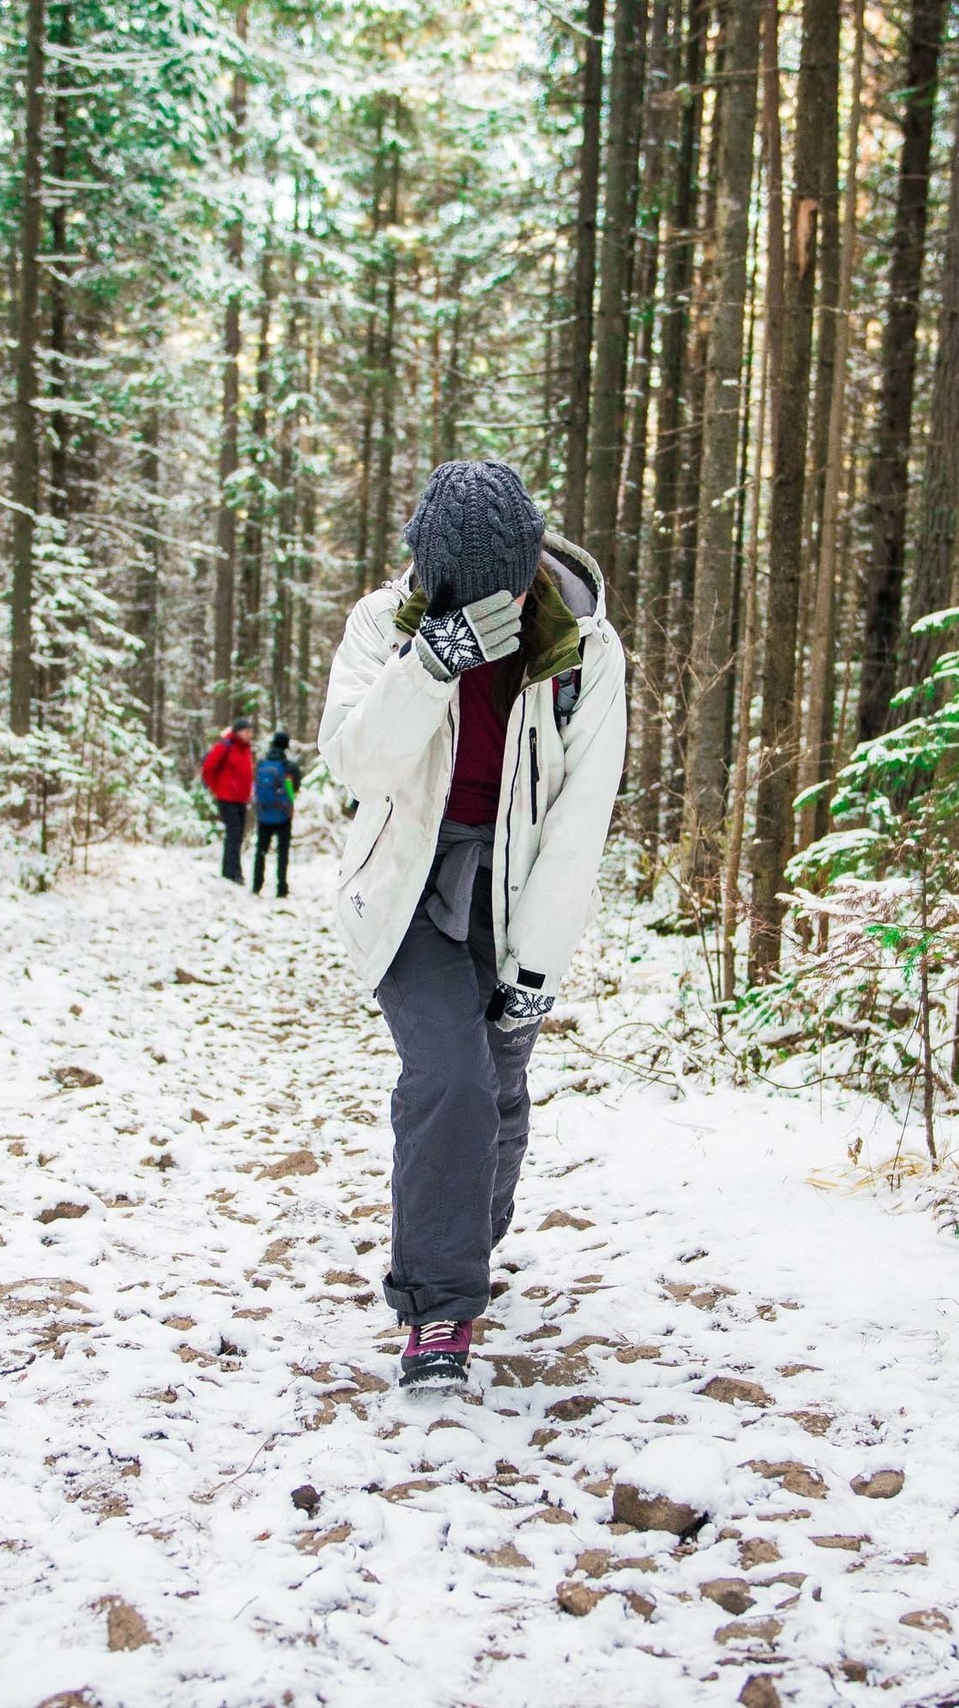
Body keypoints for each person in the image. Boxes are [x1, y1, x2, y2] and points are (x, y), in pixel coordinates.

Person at [316, 458, 626, 1392]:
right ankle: (440, 1308)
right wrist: (429, 662)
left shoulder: (584, 651)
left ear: (528, 567)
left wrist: (536, 968)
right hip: (408, 885)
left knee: (497, 1076)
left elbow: (578, 821)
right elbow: (355, 763)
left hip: (516, 882)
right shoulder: (385, 624)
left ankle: (469, 1229)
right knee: (448, 1074)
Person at [199, 715, 256, 882]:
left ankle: (230, 869)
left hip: (241, 799)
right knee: (234, 833)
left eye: (250, 731)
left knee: (237, 835)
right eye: (246, 731)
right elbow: (208, 768)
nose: (249, 734)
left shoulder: (245, 749)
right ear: (238, 732)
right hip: (227, 797)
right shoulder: (225, 747)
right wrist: (216, 788)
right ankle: (232, 871)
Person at [251, 732, 301, 898]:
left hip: (264, 813)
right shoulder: (289, 767)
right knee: (282, 852)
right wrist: (289, 803)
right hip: (282, 815)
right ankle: (281, 887)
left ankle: (256, 885)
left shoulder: (262, 764)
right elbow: (292, 789)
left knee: (261, 851)